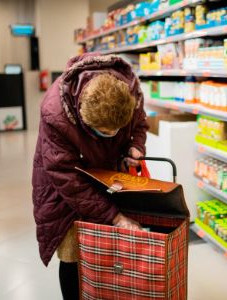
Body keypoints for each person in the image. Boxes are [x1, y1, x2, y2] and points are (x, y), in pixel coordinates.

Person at [32, 53, 149, 300]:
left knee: (109, 249)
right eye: (104, 131)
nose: (112, 134)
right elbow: (65, 177)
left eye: (116, 130)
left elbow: (139, 124)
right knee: (72, 251)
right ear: (82, 115)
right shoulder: (56, 112)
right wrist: (114, 216)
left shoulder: (131, 93)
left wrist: (135, 146)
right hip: (66, 185)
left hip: (110, 177)